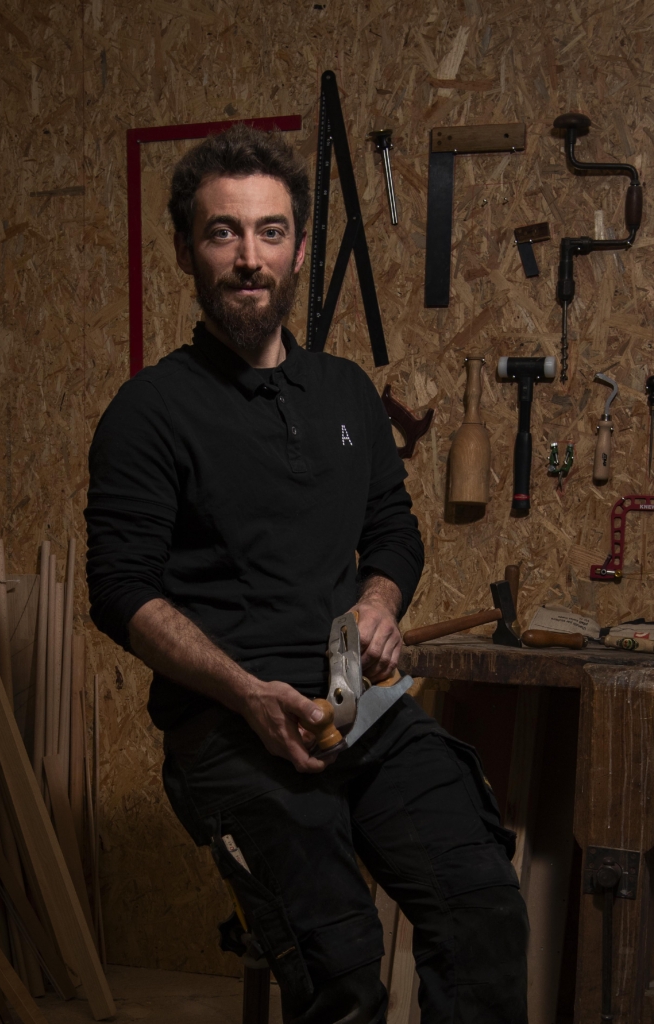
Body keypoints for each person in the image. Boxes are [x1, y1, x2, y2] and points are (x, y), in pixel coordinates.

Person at [85, 124, 528, 1024]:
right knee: (343, 970)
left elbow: (392, 531)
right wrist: (247, 692)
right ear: (186, 250)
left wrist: (378, 603)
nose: (250, 257)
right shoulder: (149, 412)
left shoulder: (347, 393)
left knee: (481, 907)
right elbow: (121, 589)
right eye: (223, 232)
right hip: (231, 726)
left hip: (356, 704)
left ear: (296, 252)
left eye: (271, 231)